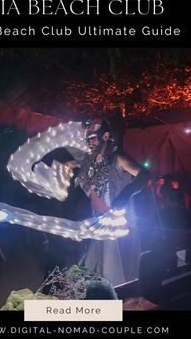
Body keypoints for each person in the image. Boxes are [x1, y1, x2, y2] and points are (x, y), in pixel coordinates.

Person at [67, 118, 149, 286]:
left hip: (117, 224)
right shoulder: (90, 161)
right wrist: (67, 166)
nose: (88, 142)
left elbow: (145, 175)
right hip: (97, 222)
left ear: (105, 136)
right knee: (94, 268)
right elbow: (77, 166)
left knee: (116, 272)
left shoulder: (118, 157)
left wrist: (126, 194)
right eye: (86, 139)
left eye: (92, 138)